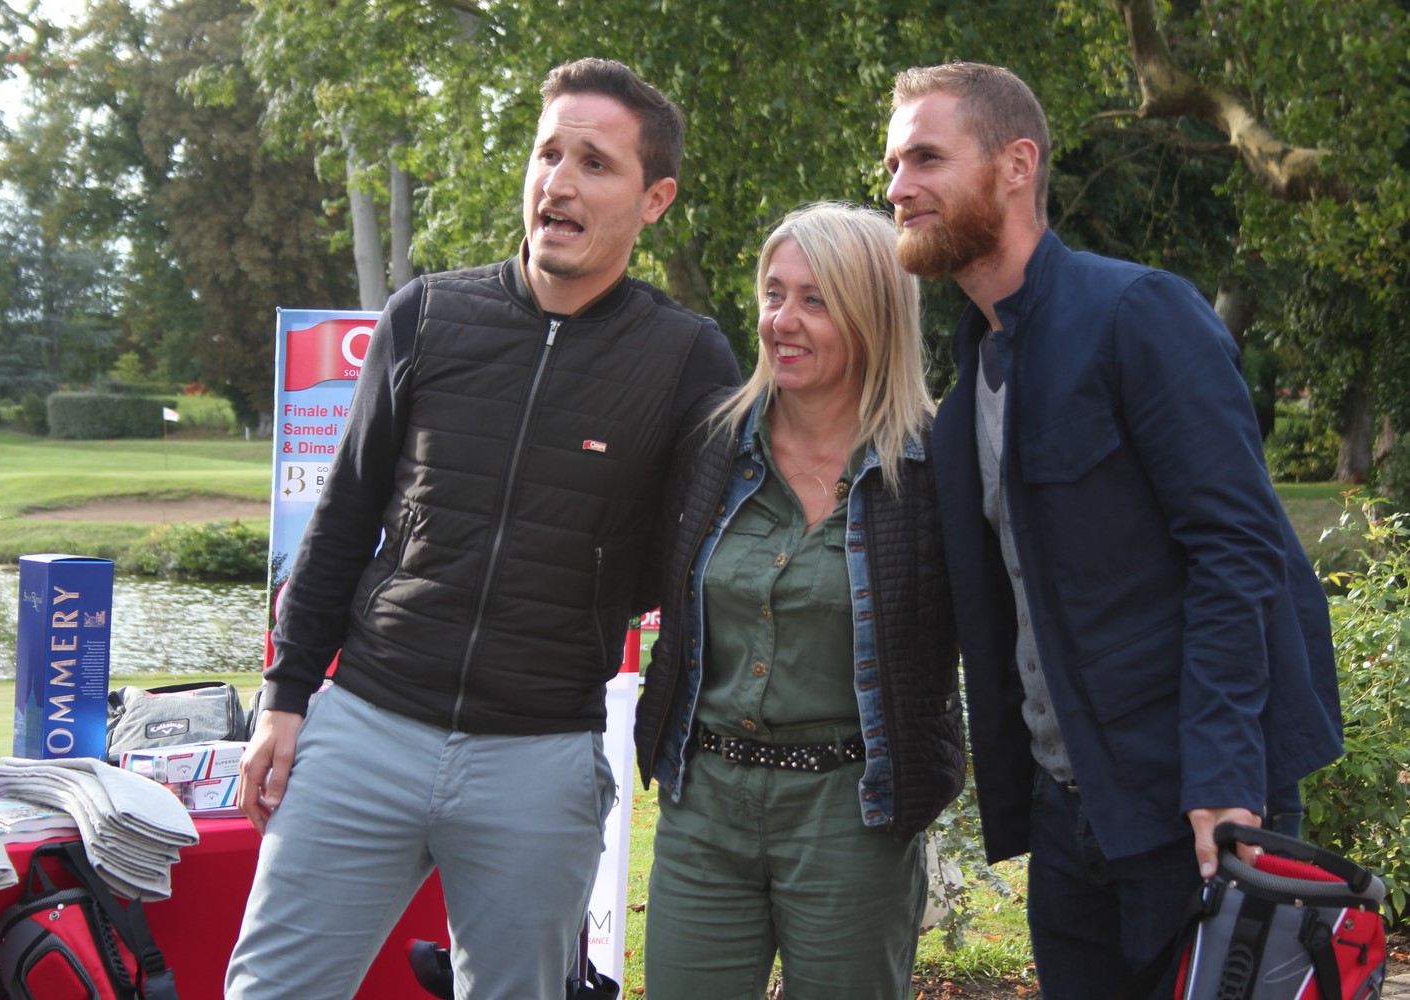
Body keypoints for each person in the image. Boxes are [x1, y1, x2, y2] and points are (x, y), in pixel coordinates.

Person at [225, 57, 739, 1000]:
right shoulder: (426, 314)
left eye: (595, 163)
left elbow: (693, 556)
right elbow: (341, 518)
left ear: (654, 199)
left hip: (539, 758)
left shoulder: (689, 358)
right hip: (365, 726)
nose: (560, 182)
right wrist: (285, 698)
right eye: (549, 153)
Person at [882, 62, 1343, 997]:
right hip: (1070, 824)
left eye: (925, 157)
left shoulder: (1138, 313)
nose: (898, 187)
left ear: (1017, 164)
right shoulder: (968, 396)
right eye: (891, 165)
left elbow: (1237, 549)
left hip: (1199, 809)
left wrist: (1224, 779)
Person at [634, 202, 964, 1000]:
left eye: (815, 301)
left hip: (853, 813)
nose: (783, 321)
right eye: (774, 294)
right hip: (704, 802)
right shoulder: (711, 444)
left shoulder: (936, 466)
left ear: (873, 316)